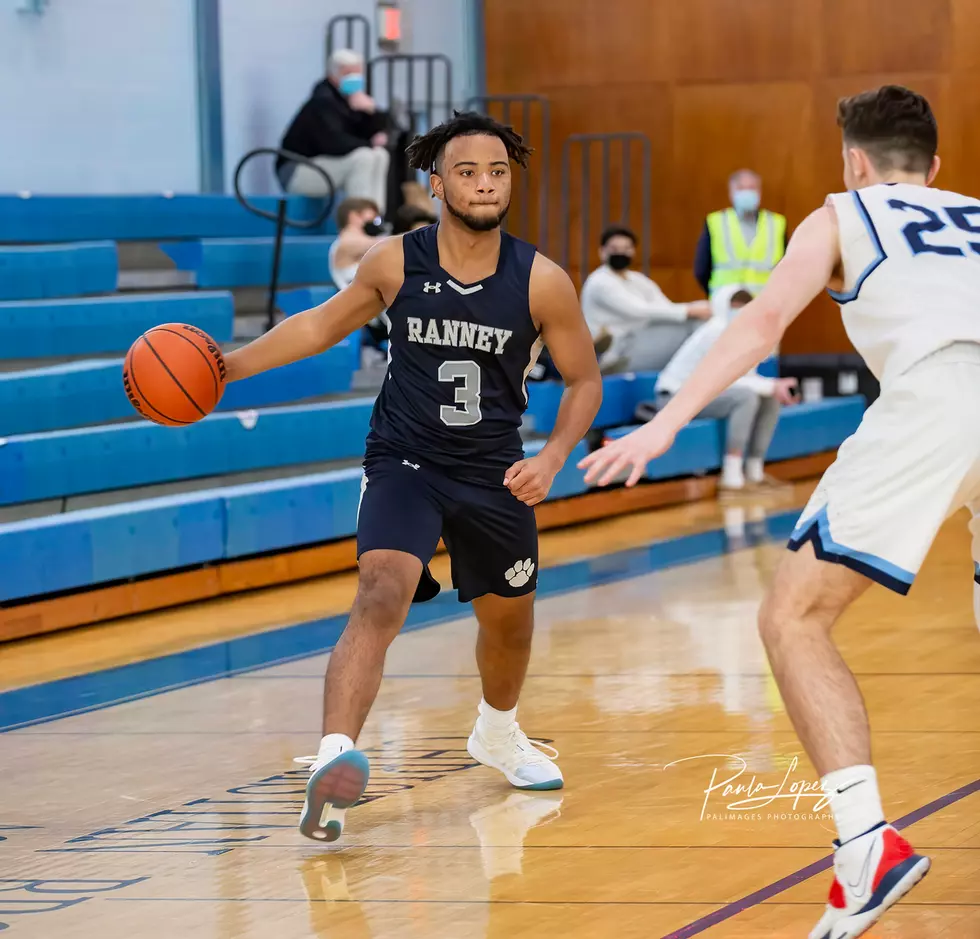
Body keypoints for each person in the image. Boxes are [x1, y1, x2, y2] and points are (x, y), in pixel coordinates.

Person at [581, 84, 975, 937]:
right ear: (937, 169)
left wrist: (667, 425)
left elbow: (761, 324)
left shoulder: (843, 213)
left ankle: (866, 846)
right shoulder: (975, 213)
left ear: (854, 162)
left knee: (792, 618)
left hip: (941, 396)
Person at [224, 112, 603, 844]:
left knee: (508, 621)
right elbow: (319, 325)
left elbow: (584, 381)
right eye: (467, 171)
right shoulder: (395, 262)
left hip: (495, 471)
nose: (485, 182)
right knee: (382, 588)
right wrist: (230, 366)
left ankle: (497, 731)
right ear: (436, 184)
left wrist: (553, 456)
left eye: (497, 170)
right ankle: (334, 761)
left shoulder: (542, 280)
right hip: (405, 459)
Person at [654, 286, 799, 491]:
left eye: (745, 305)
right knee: (746, 397)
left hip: (704, 396)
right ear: (723, 305)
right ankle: (731, 478)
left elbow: (746, 377)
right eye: (735, 305)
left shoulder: (746, 335)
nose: (740, 309)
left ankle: (754, 472)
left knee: (769, 398)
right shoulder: (715, 332)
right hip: (676, 398)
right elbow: (722, 379)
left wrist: (772, 389)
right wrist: (772, 385)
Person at [581, 225, 711, 373]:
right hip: (619, 349)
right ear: (602, 252)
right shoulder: (599, 282)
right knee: (693, 322)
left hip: (640, 340)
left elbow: (665, 307)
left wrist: (700, 307)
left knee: (699, 317)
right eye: (614, 249)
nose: (620, 253)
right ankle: (700, 373)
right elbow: (638, 310)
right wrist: (690, 310)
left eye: (626, 248)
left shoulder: (637, 279)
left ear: (633, 251)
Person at [276, 50, 390, 212]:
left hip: (326, 166)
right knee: (363, 157)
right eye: (349, 72)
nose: (355, 77)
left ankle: (375, 218)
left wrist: (372, 111)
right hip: (298, 171)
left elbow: (375, 132)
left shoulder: (352, 100)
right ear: (333, 75)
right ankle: (357, 222)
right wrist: (368, 143)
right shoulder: (322, 102)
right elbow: (335, 144)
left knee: (379, 155)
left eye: (358, 72)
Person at [694, 169, 787, 297]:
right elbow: (701, 270)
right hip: (725, 302)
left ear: (759, 192)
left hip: (765, 302)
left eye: (751, 188)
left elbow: (787, 268)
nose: (746, 193)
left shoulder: (777, 223)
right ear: (731, 193)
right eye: (741, 188)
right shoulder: (715, 222)